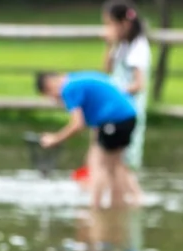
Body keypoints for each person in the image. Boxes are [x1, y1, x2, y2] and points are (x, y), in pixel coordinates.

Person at [35, 71, 137, 210]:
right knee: (115, 165)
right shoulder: (76, 79)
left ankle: (95, 208)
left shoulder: (68, 89)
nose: (55, 99)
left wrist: (55, 139)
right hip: (127, 116)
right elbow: (97, 109)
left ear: (49, 83)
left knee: (98, 165)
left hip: (115, 119)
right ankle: (129, 202)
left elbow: (77, 124)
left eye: (50, 95)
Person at [103, 0, 151, 206]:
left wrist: (115, 92)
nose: (108, 29)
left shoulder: (139, 47)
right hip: (115, 109)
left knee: (123, 161)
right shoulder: (121, 46)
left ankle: (136, 200)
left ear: (124, 23)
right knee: (114, 160)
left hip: (129, 110)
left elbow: (139, 84)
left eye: (110, 24)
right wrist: (110, 45)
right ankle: (120, 201)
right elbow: (107, 69)